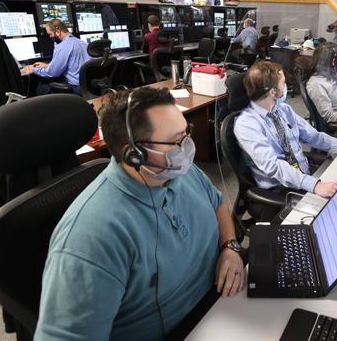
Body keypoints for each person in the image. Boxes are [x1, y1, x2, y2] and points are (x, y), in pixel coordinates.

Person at [34, 87, 245, 340]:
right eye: (176, 142)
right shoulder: (90, 239)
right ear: (134, 155)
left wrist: (230, 247)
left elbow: (217, 203)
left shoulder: (177, 170)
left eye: (186, 133)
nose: (187, 148)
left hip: (222, 302)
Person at [234, 61, 337, 198]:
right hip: (281, 188)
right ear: (273, 92)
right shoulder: (246, 124)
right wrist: (315, 185)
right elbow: (274, 166)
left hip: (305, 174)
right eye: (284, 84)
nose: (286, 87)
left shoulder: (283, 110)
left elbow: (314, 137)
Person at [22, 19, 90, 95]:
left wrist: (33, 69)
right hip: (88, 86)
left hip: (77, 89)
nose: (50, 37)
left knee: (41, 88)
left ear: (58, 32)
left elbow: (52, 73)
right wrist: (48, 65)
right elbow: (75, 64)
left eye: (50, 34)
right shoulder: (82, 43)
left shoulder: (62, 46)